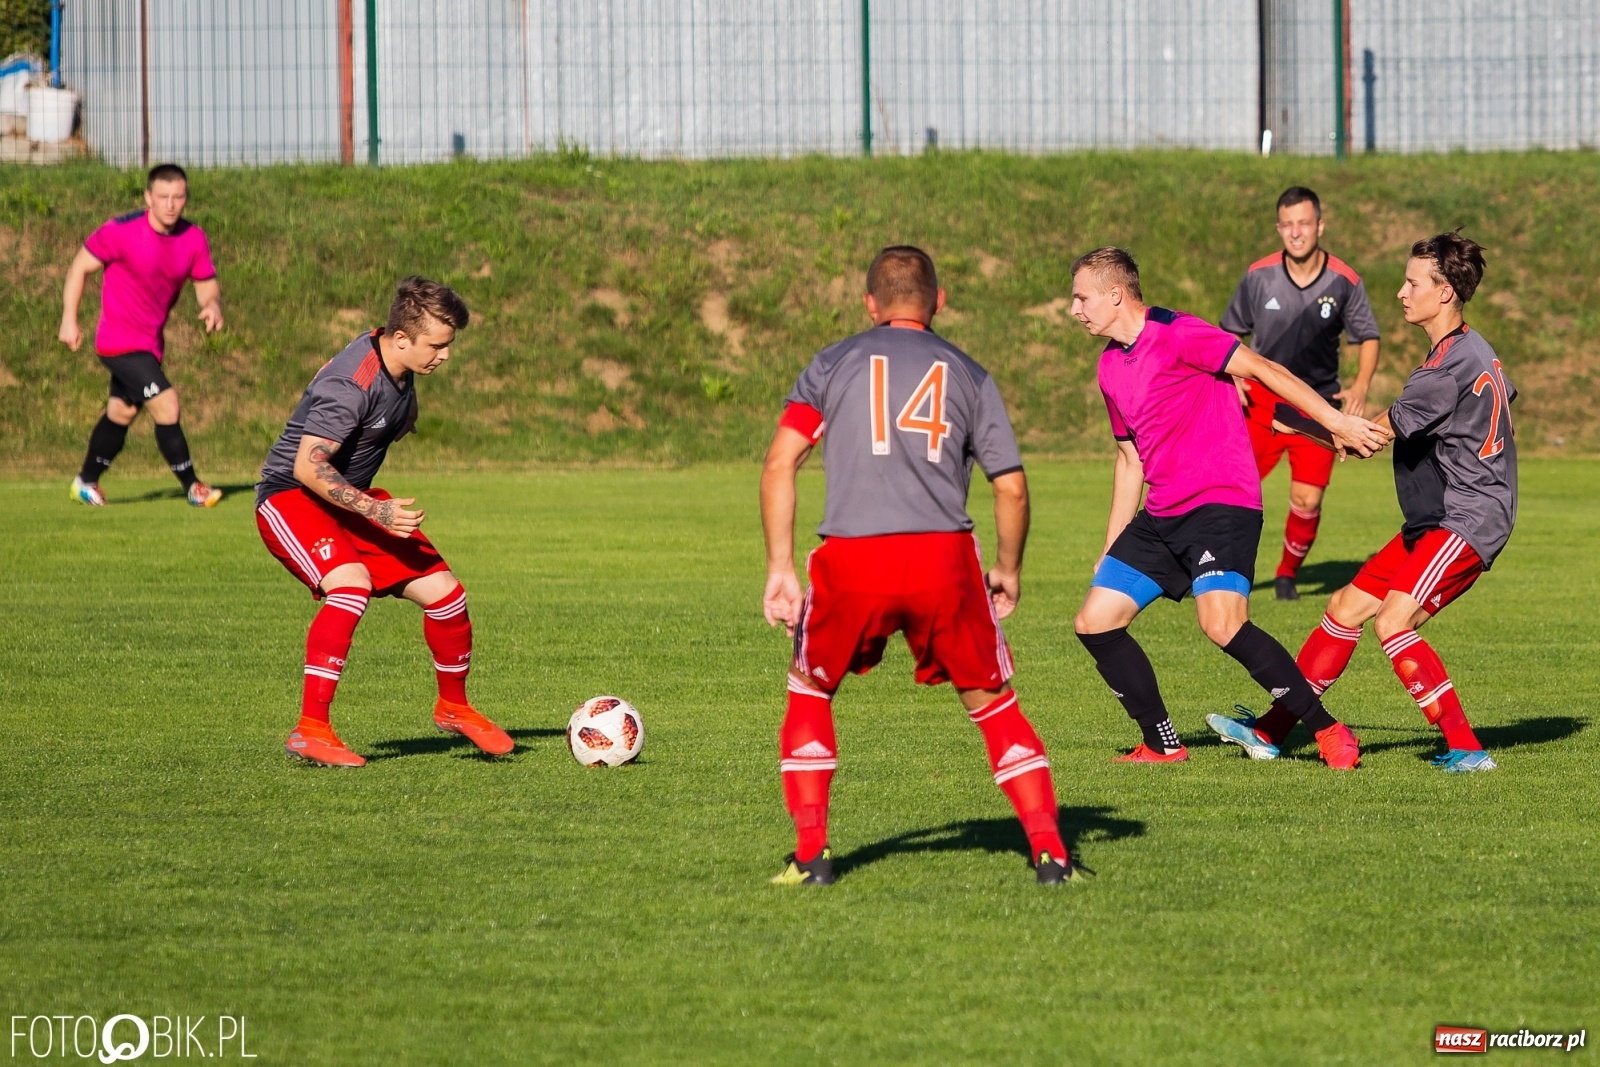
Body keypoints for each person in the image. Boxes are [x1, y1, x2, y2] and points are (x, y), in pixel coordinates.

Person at [760, 246, 1082, 886]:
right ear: (939, 301)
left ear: (869, 305)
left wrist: (780, 566)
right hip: (943, 558)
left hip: (853, 555)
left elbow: (779, 464)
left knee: (811, 688)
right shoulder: (969, 373)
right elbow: (1010, 487)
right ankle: (1050, 853)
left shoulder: (832, 363)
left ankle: (812, 855)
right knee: (992, 704)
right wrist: (1009, 569)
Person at [1066, 247, 1389, 769]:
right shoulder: (1108, 368)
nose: (1074, 309)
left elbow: (1261, 368)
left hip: (1223, 502)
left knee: (1221, 625)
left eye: (1081, 297)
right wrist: (1110, 546)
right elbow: (1129, 460)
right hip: (1163, 513)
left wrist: (1336, 422)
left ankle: (1329, 730)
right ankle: (1162, 742)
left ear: (1115, 295)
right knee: (1094, 622)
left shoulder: (1179, 333)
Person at [1208, 232, 1513, 773]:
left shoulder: (1443, 370)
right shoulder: (1471, 349)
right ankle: (1271, 729)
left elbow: (1368, 438)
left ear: (1444, 293)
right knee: (1344, 608)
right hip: (1436, 519)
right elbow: (1498, 396)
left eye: (1413, 282)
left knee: (1393, 623)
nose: (1401, 292)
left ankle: (1467, 748)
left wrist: (1302, 421)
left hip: (1466, 520)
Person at [254, 277, 513, 767]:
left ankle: (454, 707)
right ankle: (312, 729)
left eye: (449, 345)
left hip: (346, 502)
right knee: (350, 586)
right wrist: (378, 511)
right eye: (437, 346)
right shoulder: (352, 382)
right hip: (292, 497)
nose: (445, 356)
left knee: (446, 595)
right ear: (401, 339)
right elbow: (308, 466)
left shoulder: (400, 365)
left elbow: (386, 415)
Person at [1221, 186, 1381, 600]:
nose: (1296, 233)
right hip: (1259, 402)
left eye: (1304, 223)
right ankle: (1211, 570)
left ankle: (1287, 574)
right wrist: (1233, 379)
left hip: (1316, 406)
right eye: (1288, 225)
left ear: (1319, 226)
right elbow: (1228, 334)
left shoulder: (1344, 281)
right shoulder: (1259, 276)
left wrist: (1361, 385)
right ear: (1279, 229)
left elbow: (1368, 336)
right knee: (1231, 490)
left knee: (1306, 499)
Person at [60, 163, 225, 508]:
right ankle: (194, 488)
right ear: (148, 197)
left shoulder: (192, 238)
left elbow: (206, 285)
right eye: (163, 197)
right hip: (117, 342)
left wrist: (212, 306)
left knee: (121, 413)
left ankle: (85, 482)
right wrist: (69, 320)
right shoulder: (119, 232)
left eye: (178, 197)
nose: (170, 204)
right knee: (167, 404)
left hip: (150, 344)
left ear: (185, 199)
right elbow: (79, 268)